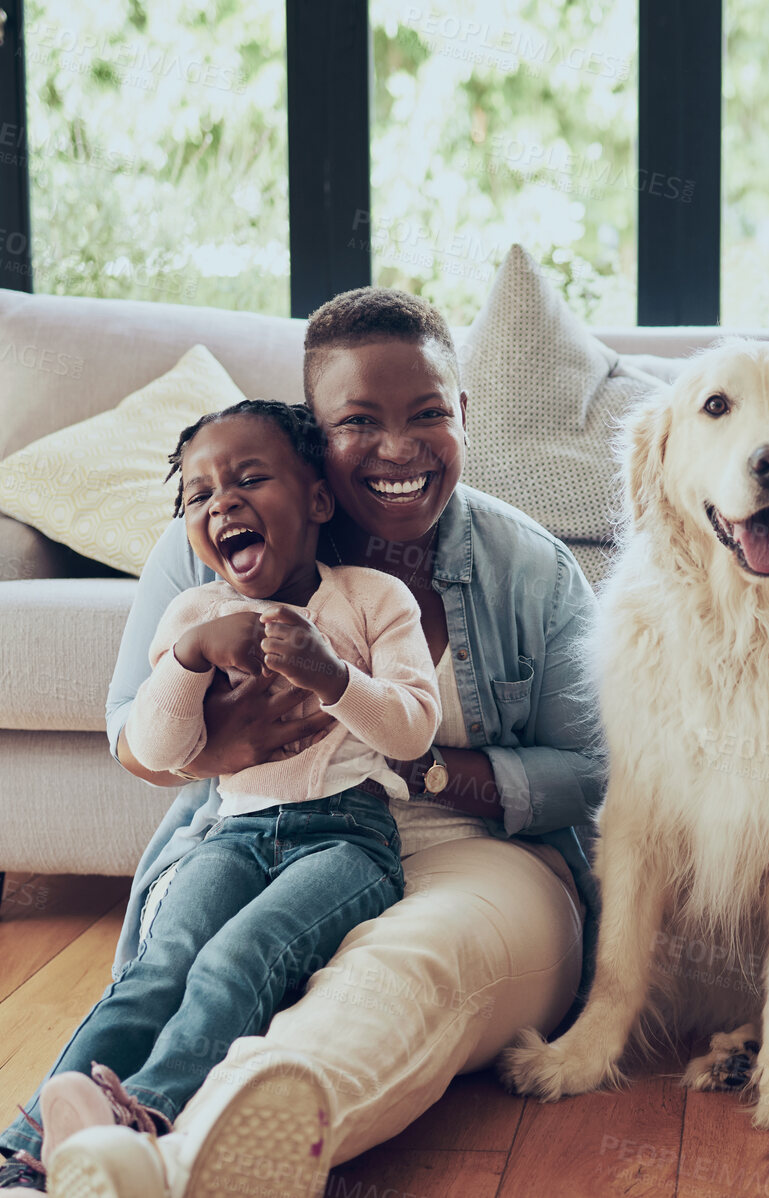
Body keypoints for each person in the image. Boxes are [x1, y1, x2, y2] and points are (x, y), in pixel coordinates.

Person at [14, 288, 604, 1198]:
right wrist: (220, 750)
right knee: (196, 962)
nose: (400, 448)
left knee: (407, 967)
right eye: (358, 421)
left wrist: (428, 765)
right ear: (312, 439)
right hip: (249, 831)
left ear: (464, 418)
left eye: (430, 416)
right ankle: (41, 1157)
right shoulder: (211, 544)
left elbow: (590, 772)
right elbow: (132, 732)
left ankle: (175, 1162)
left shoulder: (527, 569)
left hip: (475, 850)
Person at [0, 399, 440, 1194]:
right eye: (198, 496)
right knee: (158, 966)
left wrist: (334, 677)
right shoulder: (194, 612)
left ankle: (143, 1117)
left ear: (315, 499)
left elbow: (412, 731)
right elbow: (167, 751)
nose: (222, 503)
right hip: (232, 833)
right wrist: (190, 657)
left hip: (348, 839)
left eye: (248, 479)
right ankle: (28, 1155)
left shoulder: (373, 598)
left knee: (238, 958)